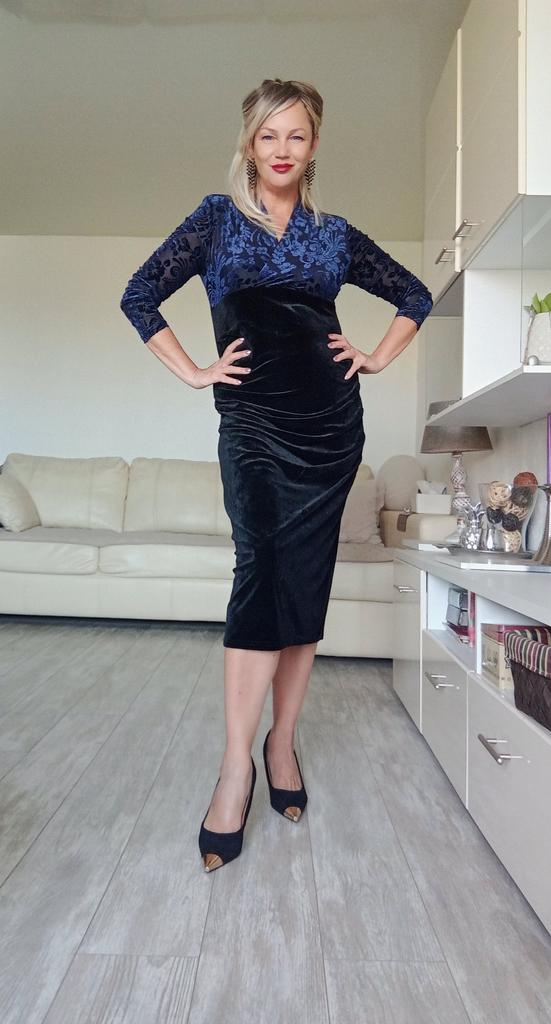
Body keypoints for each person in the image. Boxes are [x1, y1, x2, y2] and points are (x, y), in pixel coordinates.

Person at [120, 77, 433, 873]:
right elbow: (140, 295)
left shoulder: (334, 235)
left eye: (296, 135)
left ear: (313, 144)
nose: (282, 150)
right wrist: (195, 371)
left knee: (303, 587)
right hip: (254, 428)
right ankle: (236, 767)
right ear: (249, 144)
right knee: (261, 574)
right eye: (268, 136)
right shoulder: (216, 220)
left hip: (329, 429)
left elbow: (413, 293)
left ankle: (281, 743)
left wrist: (373, 356)